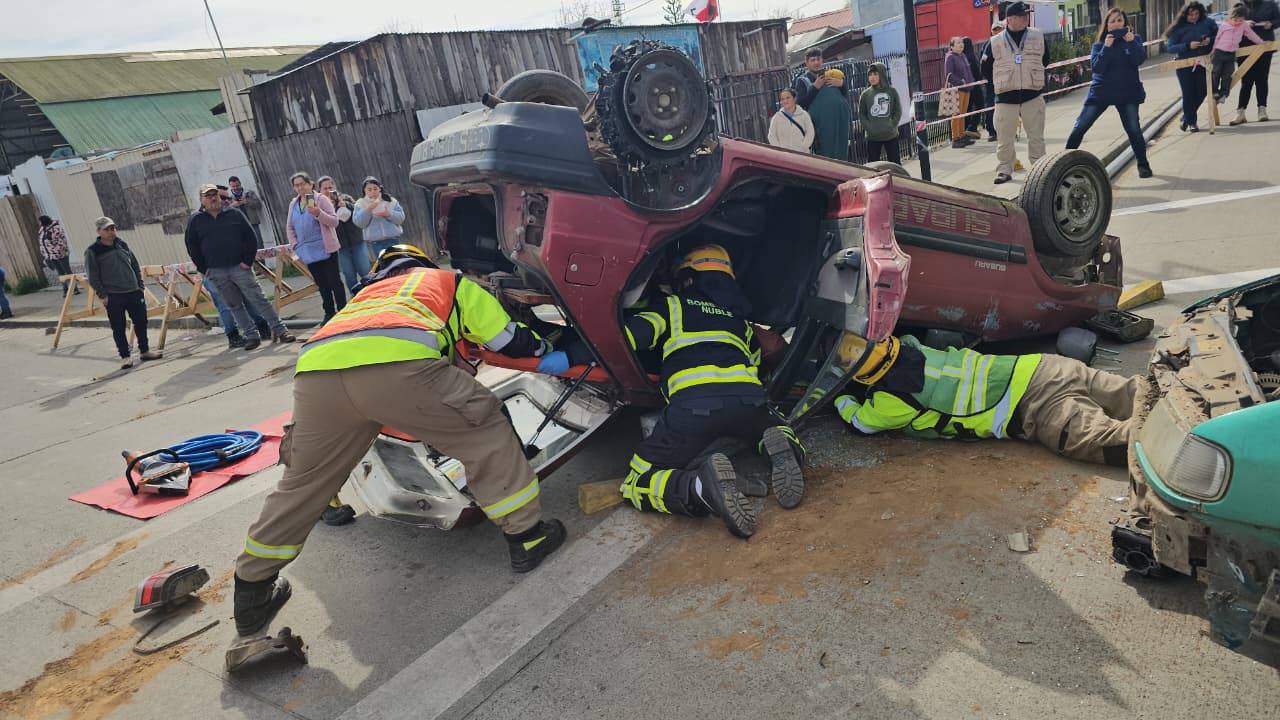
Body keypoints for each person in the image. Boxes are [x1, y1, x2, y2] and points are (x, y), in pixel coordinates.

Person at [231, 243, 565, 636]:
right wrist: (550, 346)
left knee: (302, 483)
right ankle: (527, 537)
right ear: (422, 263)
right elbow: (506, 340)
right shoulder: (447, 282)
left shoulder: (364, 296)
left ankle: (251, 591)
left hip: (316, 375)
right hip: (399, 370)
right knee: (486, 429)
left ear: (381, 271)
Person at [540, 245, 807, 537]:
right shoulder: (739, 322)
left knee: (637, 481)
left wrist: (571, 355)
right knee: (775, 425)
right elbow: (756, 368)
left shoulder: (672, 307)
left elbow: (624, 338)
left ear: (688, 278)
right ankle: (782, 444)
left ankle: (701, 487)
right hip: (749, 402)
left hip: (694, 409)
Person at [833, 334, 1139, 467]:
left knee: (1114, 444)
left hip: (1036, 406)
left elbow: (860, 423)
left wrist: (840, 395)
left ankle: (1168, 444)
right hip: (1046, 365)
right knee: (1135, 393)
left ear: (864, 376)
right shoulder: (914, 346)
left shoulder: (891, 401)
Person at [185, 183, 296, 351]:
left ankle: (281, 331)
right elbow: (192, 246)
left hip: (240, 267)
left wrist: (247, 261)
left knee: (259, 299)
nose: (213, 198)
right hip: (216, 271)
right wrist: (205, 269)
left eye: (215, 194)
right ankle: (251, 336)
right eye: (208, 195)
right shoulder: (196, 220)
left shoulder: (233, 213)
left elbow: (250, 237)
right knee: (234, 305)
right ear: (201, 199)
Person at [1066, 8, 1153, 178]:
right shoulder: (1099, 45)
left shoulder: (1134, 39)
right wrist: (1106, 47)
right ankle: (1064, 164)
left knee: (1134, 129)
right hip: (1101, 92)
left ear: (1125, 23)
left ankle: (1143, 165)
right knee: (1080, 127)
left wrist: (1131, 43)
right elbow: (1097, 68)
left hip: (1127, 92)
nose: (1116, 24)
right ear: (1106, 25)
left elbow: (1138, 60)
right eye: (1112, 21)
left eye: (1119, 20)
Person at [980, 1, 1050, 184]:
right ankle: (1005, 169)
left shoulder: (1037, 36)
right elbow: (985, 68)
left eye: (1026, 14)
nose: (1025, 18)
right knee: (1004, 138)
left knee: (1036, 136)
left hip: (1032, 95)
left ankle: (1039, 169)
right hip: (1005, 98)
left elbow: (1046, 60)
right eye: (1020, 15)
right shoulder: (994, 42)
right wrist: (1002, 82)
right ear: (1009, 19)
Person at [84, 217, 161, 369]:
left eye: (112, 228)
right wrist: (102, 295)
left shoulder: (122, 244)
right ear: (99, 231)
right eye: (107, 229)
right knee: (118, 327)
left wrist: (140, 286)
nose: (111, 232)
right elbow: (92, 276)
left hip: (133, 291)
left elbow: (134, 265)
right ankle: (125, 357)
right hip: (113, 295)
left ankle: (145, 351)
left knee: (141, 322)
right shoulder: (92, 251)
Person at [285, 172, 345, 323]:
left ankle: (343, 311)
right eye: (296, 185)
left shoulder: (321, 199)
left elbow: (334, 221)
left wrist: (318, 213)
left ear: (310, 184)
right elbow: (289, 227)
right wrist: (295, 245)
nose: (300, 188)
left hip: (326, 247)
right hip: (308, 251)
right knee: (322, 284)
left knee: (334, 281)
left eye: (303, 184)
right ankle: (329, 312)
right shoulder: (294, 204)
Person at [1165, 1, 1219, 132]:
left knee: (1202, 91)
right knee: (1188, 94)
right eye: (1190, 15)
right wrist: (1187, 46)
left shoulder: (1208, 22)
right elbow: (1170, 47)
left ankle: (1186, 118)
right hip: (1184, 64)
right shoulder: (1178, 28)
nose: (1194, 17)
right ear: (1185, 15)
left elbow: (1219, 36)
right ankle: (1191, 122)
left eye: (1196, 14)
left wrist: (1210, 40)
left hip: (1203, 63)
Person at [1230, 0, 1279, 124]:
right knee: (1246, 81)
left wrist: (1271, 24)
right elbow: (1230, 22)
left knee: (1262, 79)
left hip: (1264, 47)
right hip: (1244, 48)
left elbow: (1278, 20)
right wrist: (1244, 23)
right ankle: (1240, 112)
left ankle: (1262, 110)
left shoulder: (1270, 5)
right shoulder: (1239, 6)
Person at [318, 176, 370, 291]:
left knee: (365, 271)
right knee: (349, 274)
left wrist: (346, 205)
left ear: (335, 187)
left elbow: (358, 211)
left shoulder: (345, 198)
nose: (328, 190)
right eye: (325, 188)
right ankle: (355, 295)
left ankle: (372, 293)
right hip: (339, 247)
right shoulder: (320, 206)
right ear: (320, 191)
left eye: (330, 187)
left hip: (357, 241)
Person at [1211, 5, 1267, 105]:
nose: (1237, 23)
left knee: (1227, 75)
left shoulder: (1243, 25)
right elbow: (1217, 38)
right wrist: (1213, 51)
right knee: (1216, 72)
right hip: (1219, 52)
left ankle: (1224, 94)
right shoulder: (1224, 25)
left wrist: (1261, 42)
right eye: (1235, 20)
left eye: (1240, 20)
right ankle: (1214, 91)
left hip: (1231, 54)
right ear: (1231, 17)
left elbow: (1251, 35)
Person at [857, 62, 904, 164]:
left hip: (890, 135)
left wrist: (891, 124)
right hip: (872, 137)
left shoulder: (892, 91)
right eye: (870, 74)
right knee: (873, 165)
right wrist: (869, 128)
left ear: (882, 74)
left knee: (895, 163)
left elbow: (898, 110)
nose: (872, 77)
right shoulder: (865, 94)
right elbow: (861, 114)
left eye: (875, 74)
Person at [352, 177, 406, 260]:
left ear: (379, 189)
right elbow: (359, 223)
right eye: (369, 189)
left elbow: (401, 218)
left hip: (393, 239)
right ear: (364, 190)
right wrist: (368, 209)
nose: (372, 192)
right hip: (376, 242)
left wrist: (388, 214)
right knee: (384, 264)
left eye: (375, 189)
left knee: (397, 261)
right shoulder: (360, 204)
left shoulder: (390, 200)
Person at [809, 68, 852, 161]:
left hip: (836, 124)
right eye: (813, 60)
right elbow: (802, 101)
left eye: (818, 60)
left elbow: (845, 94)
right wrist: (815, 87)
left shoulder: (833, 79)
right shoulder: (804, 81)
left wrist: (842, 84)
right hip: (824, 127)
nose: (816, 62)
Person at [945, 37, 977, 149]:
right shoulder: (950, 57)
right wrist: (960, 82)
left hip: (966, 89)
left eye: (961, 42)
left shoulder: (963, 56)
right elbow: (949, 75)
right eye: (958, 42)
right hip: (957, 89)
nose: (961, 44)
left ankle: (962, 135)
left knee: (963, 114)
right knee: (956, 115)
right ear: (952, 46)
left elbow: (968, 71)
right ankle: (956, 138)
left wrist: (971, 82)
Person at [963, 37, 996, 141]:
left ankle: (967, 128)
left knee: (968, 108)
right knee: (980, 106)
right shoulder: (971, 56)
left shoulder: (963, 57)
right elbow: (977, 70)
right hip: (975, 86)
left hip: (967, 87)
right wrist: (981, 78)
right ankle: (972, 127)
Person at [37, 215, 78, 295]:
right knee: (60, 272)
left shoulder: (56, 228)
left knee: (67, 270)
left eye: (40, 221)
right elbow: (42, 242)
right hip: (51, 255)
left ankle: (74, 288)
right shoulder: (42, 229)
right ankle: (65, 289)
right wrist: (45, 253)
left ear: (44, 221)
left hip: (61, 254)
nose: (39, 223)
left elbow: (62, 241)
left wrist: (57, 250)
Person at [767, 88, 815, 152]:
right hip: (784, 155)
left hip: (802, 154)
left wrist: (803, 147)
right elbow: (771, 136)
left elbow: (810, 133)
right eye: (782, 99)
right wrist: (780, 150)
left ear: (795, 99)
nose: (785, 101)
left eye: (788, 98)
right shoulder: (776, 117)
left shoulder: (804, 115)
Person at [227, 176, 265, 248]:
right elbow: (225, 211)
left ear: (240, 183)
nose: (236, 188)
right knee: (244, 245)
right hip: (239, 225)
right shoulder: (229, 198)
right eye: (233, 186)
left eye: (237, 185)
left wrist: (247, 201)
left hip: (253, 223)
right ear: (230, 186)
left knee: (259, 243)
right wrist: (232, 205)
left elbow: (259, 205)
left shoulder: (249, 193)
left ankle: (260, 255)